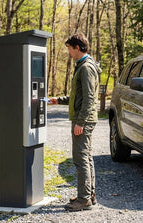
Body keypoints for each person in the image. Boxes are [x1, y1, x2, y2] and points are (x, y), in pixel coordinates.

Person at [51, 33, 101, 211]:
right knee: (86, 157)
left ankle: (84, 199)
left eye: (70, 49)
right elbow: (78, 96)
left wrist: (80, 122)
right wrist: (60, 100)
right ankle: (89, 195)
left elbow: (89, 98)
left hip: (84, 120)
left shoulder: (86, 68)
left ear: (78, 48)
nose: (69, 53)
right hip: (84, 118)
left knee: (80, 159)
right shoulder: (83, 66)